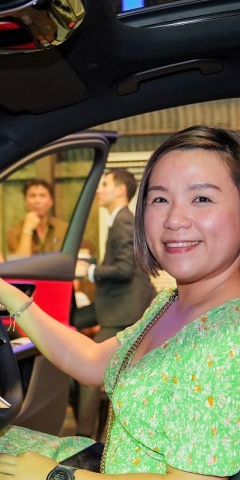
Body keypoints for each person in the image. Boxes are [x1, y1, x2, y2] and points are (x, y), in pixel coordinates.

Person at [0, 125, 240, 480]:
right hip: (111, 479)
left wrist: (53, 478)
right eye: (160, 199)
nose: (175, 219)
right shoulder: (174, 302)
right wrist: (6, 294)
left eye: (202, 198)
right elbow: (94, 361)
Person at [74, 167, 157, 438]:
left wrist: (88, 271)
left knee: (88, 371)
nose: (99, 190)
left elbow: (123, 269)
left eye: (105, 184)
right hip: (114, 305)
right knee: (72, 323)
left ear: (121, 190)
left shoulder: (122, 221)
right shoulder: (120, 220)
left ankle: (83, 439)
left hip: (124, 309)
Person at [5, 179, 68, 258]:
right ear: (25, 201)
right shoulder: (15, 231)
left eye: (42, 196)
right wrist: (27, 229)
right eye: (32, 196)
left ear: (51, 202)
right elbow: (19, 262)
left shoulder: (64, 228)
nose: (37, 201)